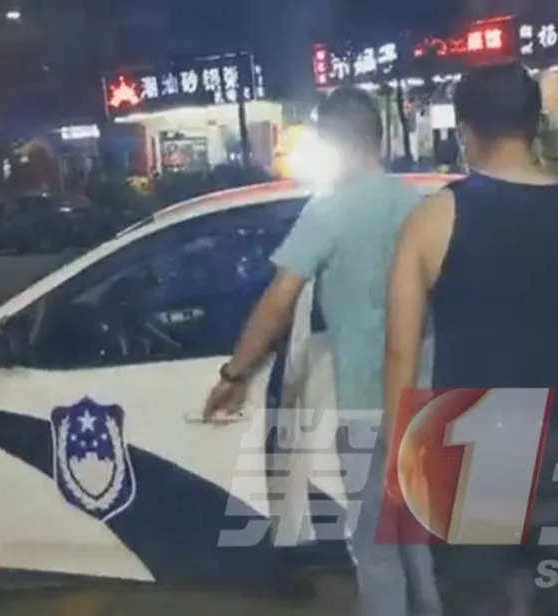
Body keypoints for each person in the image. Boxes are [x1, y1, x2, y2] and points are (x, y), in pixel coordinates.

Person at [383, 61, 558, 616]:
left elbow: (400, 352)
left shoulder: (432, 219)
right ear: (536, 126)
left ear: (465, 131)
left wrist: (399, 458)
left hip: (463, 448)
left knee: (475, 601)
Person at [202, 86, 441, 616]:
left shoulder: (329, 210)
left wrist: (235, 372)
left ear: (330, 143)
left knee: (377, 547)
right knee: (425, 542)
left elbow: (279, 300)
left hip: (368, 406)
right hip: (428, 402)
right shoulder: (421, 206)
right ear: (380, 136)